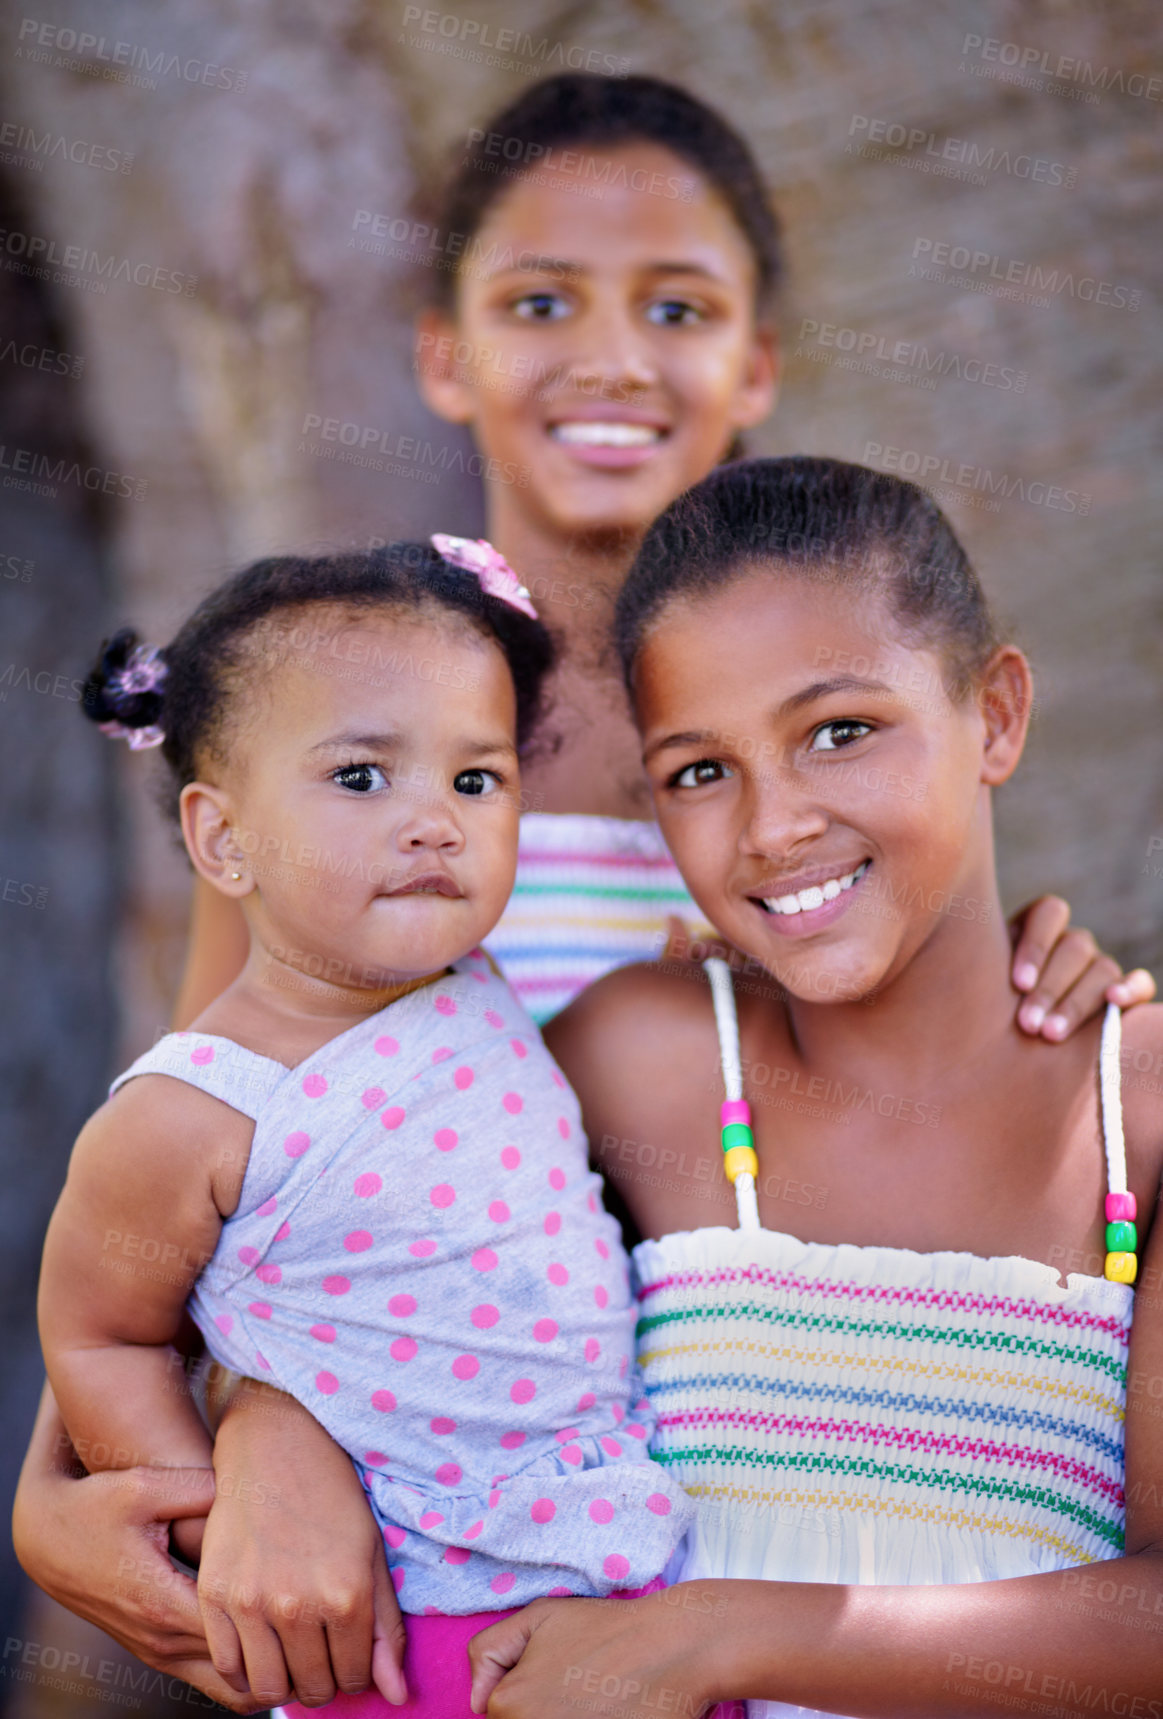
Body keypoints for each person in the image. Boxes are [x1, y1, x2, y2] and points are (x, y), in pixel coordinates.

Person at [12, 75, 1150, 1705]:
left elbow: (932, 1103)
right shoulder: (336, 783)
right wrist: (219, 1444)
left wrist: (1066, 998)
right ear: (438, 351)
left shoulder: (826, 802)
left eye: (673, 306)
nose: (608, 356)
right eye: (537, 301)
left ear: (755, 360)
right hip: (429, 1597)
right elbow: (207, 1204)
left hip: (662, 1561)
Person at [458, 457, 1163, 1717]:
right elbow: (365, 1293)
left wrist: (731, 1633)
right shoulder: (637, 1062)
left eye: (839, 732)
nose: (773, 825)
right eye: (698, 771)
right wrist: (275, 1438)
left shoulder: (1135, 1114)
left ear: (993, 715)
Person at [35, 540, 694, 1719]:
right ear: (221, 839)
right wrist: (214, 1514)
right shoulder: (196, 1109)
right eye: (359, 778)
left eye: (474, 782)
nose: (433, 823)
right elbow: (102, 1340)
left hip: (617, 1589)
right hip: (392, 1623)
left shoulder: (476, 986)